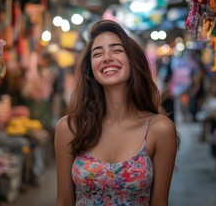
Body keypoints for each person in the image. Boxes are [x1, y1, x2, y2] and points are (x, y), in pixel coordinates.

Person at [54, 20, 178, 205]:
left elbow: (160, 202)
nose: (107, 58)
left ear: (132, 60)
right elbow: (63, 201)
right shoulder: (70, 128)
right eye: (98, 53)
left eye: (117, 50)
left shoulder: (159, 130)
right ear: (91, 68)